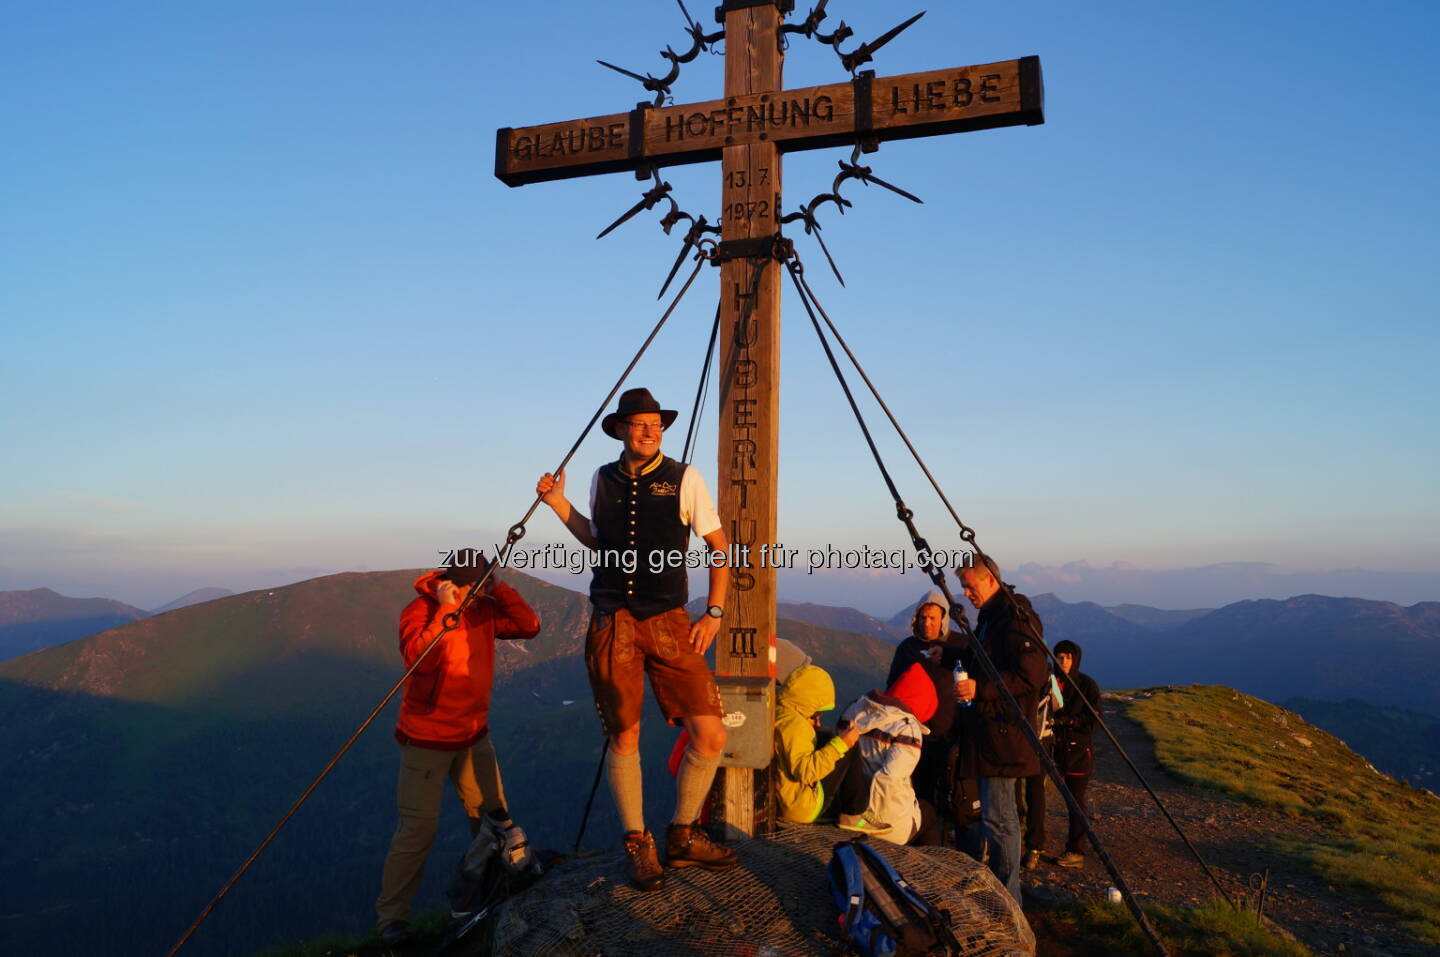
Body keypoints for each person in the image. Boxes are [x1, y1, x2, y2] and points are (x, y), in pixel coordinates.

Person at [536, 387, 735, 891]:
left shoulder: (684, 478)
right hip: (612, 619)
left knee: (710, 733)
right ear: (621, 430)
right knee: (624, 736)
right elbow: (596, 538)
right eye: (639, 424)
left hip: (669, 620)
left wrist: (713, 611)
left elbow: (718, 547)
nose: (649, 432)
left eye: (656, 425)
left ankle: (682, 835)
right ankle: (638, 843)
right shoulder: (602, 478)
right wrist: (558, 503)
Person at [375, 550, 541, 946]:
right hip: (426, 741)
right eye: (477, 586)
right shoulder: (419, 610)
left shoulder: (484, 607)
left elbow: (528, 626)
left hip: (473, 735)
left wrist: (501, 589)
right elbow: (418, 659)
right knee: (417, 831)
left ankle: (484, 899)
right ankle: (392, 922)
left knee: (494, 822)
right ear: (454, 581)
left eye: (485, 584)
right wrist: (444, 613)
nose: (479, 592)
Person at [953, 557, 1048, 903]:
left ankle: (1009, 902)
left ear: (990, 579)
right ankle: (1002, 894)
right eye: (963, 586)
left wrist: (981, 689)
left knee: (1000, 819)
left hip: (1004, 735)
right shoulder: (993, 617)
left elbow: (1030, 675)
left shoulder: (1014, 618)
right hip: (991, 734)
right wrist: (948, 656)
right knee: (994, 818)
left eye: (969, 585)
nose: (965, 593)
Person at [886, 588, 969, 844]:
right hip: (913, 736)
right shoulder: (908, 648)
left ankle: (953, 841)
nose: (927, 623)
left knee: (952, 792)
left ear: (944, 618)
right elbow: (893, 687)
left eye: (933, 618)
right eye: (923, 617)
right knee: (917, 789)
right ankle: (923, 841)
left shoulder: (960, 645)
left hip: (951, 733)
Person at [838, 661, 939, 844]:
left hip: (847, 806)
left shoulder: (854, 710)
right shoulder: (907, 728)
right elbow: (891, 778)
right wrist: (873, 818)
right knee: (929, 814)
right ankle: (927, 868)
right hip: (883, 824)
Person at [774, 664, 866, 824]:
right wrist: (842, 744)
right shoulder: (796, 726)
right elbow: (806, 772)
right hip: (800, 807)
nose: (818, 721)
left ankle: (845, 809)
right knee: (849, 748)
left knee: (826, 735)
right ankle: (854, 814)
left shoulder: (779, 712)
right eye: (816, 714)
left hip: (783, 798)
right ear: (807, 706)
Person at [1051, 639, 1101, 868]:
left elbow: (1095, 719)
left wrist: (1071, 721)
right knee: (1037, 796)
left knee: (1075, 801)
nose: (1063, 661)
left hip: (1078, 752)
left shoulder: (1087, 685)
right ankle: (1032, 845)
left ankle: (1076, 851)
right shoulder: (1048, 682)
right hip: (1050, 748)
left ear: (1076, 659)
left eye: (1068, 657)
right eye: (1059, 656)